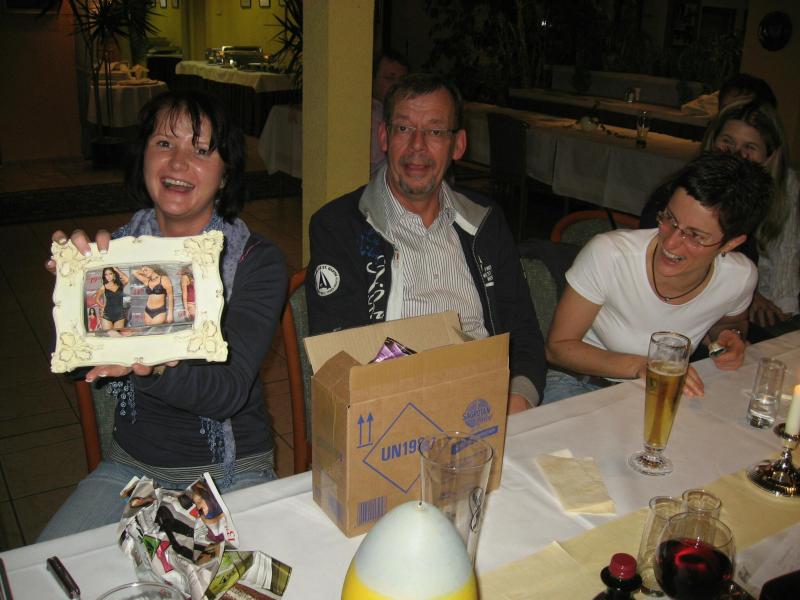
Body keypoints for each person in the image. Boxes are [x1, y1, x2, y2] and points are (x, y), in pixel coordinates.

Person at [39, 89, 287, 540]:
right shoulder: (112, 255)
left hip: (231, 472)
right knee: (41, 570)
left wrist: (152, 365)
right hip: (131, 469)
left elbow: (228, 392)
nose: (178, 163)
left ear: (226, 174)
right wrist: (75, 299)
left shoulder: (255, 260)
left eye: (201, 150)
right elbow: (76, 367)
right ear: (144, 158)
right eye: (165, 143)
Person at [308, 73, 546, 413]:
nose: (417, 146)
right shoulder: (340, 226)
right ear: (384, 136)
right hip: (395, 408)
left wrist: (518, 399)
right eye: (404, 128)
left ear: (458, 145)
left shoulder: (485, 222)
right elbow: (340, 351)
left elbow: (523, 329)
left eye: (435, 131)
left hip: (488, 403)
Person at [544, 152, 773, 403]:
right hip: (582, 383)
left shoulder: (739, 277)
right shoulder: (610, 254)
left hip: (665, 388)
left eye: (695, 236)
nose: (671, 243)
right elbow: (557, 347)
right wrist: (643, 367)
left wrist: (731, 337)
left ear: (731, 243)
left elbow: (731, 323)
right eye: (670, 219)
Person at [640, 100, 798, 339]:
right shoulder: (680, 196)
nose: (735, 154)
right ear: (712, 142)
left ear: (769, 157)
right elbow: (658, 270)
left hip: (719, 314)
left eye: (749, 147)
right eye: (727, 142)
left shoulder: (764, 202)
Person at [370, 50, 409, 176]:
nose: (397, 85)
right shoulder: (368, 115)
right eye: (390, 78)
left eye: (402, 80)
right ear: (372, 80)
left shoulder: (410, 113)